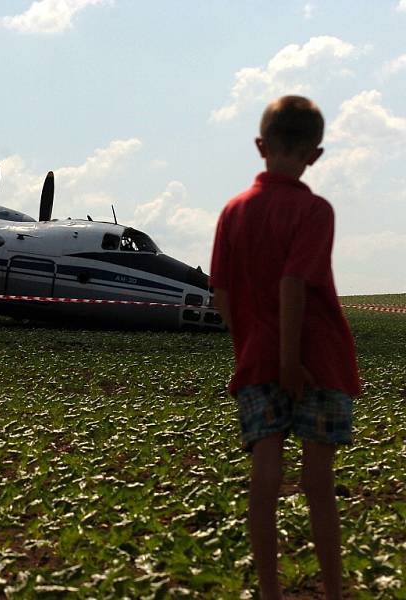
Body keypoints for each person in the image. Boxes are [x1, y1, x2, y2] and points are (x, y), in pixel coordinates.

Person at [210, 95, 361, 600]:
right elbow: (295, 283)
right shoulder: (315, 211)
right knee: (318, 478)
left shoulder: (233, 211)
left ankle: (270, 592)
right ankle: (332, 592)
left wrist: (255, 348)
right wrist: (293, 361)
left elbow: (224, 294)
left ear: (261, 145)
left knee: (265, 474)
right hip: (316, 360)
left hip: (256, 359)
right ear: (314, 155)